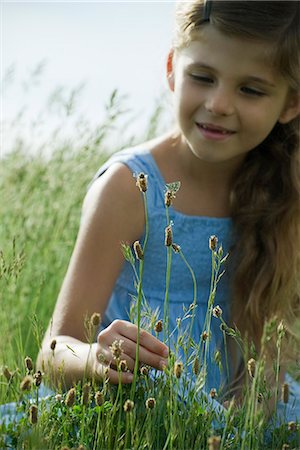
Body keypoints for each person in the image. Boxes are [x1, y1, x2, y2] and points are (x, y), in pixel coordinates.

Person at [36, 0, 300, 424]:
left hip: (243, 422)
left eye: (250, 89)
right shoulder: (130, 188)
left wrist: (240, 427)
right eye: (202, 77)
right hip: (130, 417)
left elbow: (269, 371)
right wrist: (97, 359)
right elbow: (52, 350)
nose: (218, 103)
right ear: (172, 68)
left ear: (290, 103)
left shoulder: (285, 194)